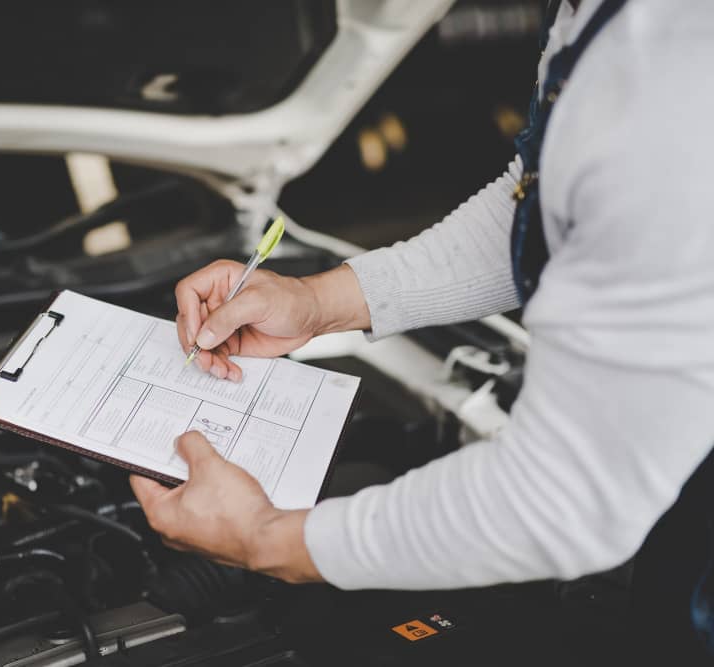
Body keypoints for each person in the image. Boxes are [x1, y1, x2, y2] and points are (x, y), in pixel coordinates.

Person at [130, 0, 714, 658]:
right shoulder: (602, 21)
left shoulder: (679, 68)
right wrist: (320, 300)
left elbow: (564, 498)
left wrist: (268, 538)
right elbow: (547, 197)